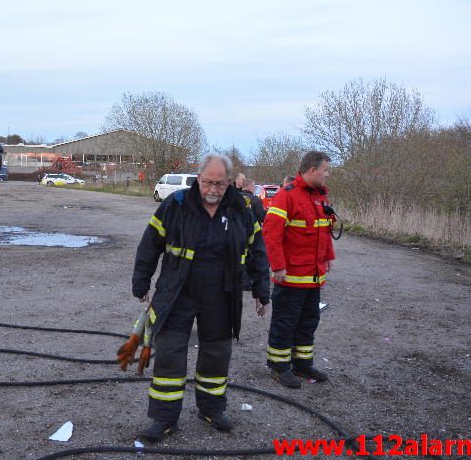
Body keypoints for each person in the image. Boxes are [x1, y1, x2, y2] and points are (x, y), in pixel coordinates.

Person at [132, 153, 270, 442]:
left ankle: (211, 409)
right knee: (169, 354)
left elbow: (258, 252)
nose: (212, 189)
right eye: (207, 182)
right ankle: (164, 419)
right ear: (199, 178)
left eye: (219, 184)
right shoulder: (176, 205)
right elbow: (150, 244)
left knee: (217, 355)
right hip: (177, 293)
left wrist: (261, 291)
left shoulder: (242, 210)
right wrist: (141, 281)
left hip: (222, 295)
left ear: (230, 182)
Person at [262, 151, 335, 389]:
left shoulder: (320, 198)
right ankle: (279, 366)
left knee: (308, 321)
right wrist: (278, 266)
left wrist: (328, 258)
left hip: (313, 277)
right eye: (325, 170)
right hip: (291, 277)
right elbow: (271, 233)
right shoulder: (287, 196)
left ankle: (302, 363)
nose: (328, 174)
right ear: (312, 170)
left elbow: (325, 231)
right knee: (285, 322)